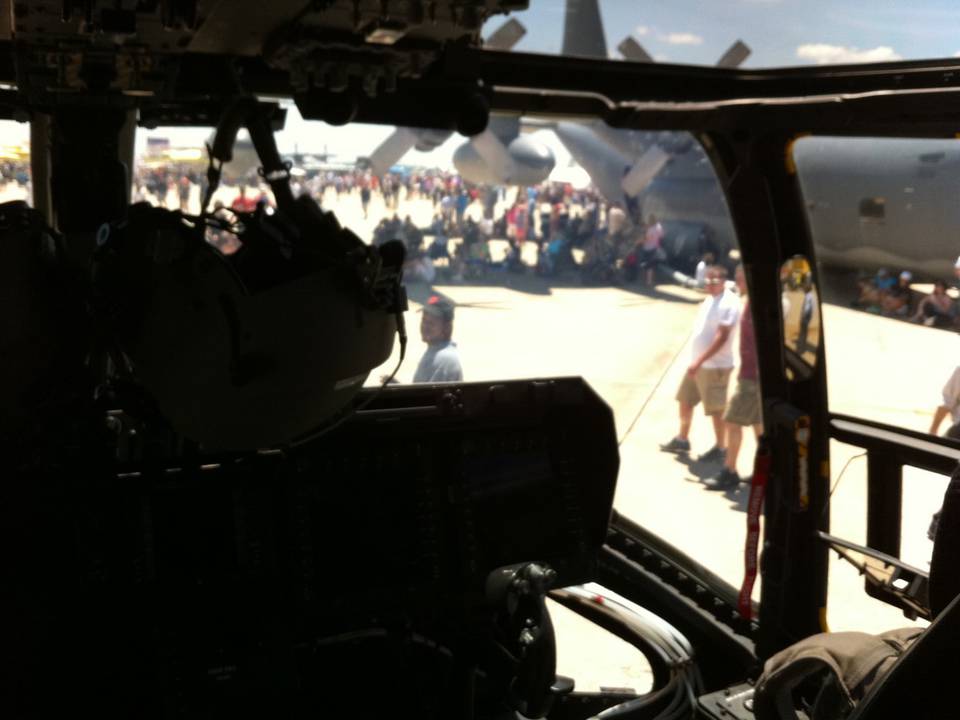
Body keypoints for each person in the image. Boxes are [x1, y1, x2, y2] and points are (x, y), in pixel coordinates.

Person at [661, 265, 740, 458]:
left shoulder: (729, 303)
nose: (709, 285)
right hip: (698, 364)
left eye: (714, 282)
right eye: (707, 281)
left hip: (714, 367)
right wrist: (696, 362)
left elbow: (722, 337)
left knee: (716, 410)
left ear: (723, 281)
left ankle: (721, 448)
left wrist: (699, 361)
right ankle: (682, 439)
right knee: (685, 400)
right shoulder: (710, 298)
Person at [705, 265, 762, 489]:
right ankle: (766, 472)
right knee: (759, 426)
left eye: (740, 279)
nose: (737, 283)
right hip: (750, 375)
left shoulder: (756, 307)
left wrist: (755, 375)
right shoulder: (749, 303)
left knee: (731, 421)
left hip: (752, 378)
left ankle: (729, 471)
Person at [413, 295, 463, 383]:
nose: (425, 326)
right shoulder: (436, 352)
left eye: (431, 323)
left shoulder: (444, 359)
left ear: (446, 328)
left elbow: (427, 396)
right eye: (424, 320)